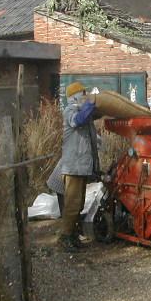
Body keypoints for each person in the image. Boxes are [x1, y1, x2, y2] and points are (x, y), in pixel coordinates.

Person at [47, 81, 100, 252]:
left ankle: (72, 235)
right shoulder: (70, 111)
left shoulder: (84, 112)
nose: (85, 96)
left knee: (78, 204)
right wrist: (91, 103)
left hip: (81, 166)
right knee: (72, 205)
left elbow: (91, 116)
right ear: (75, 95)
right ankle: (64, 237)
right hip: (73, 167)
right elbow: (78, 121)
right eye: (83, 93)